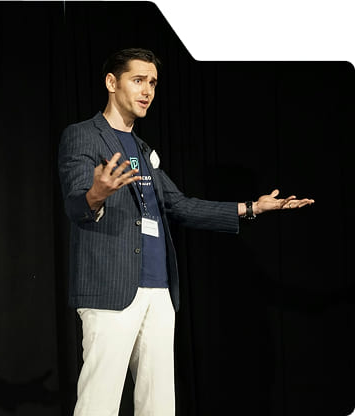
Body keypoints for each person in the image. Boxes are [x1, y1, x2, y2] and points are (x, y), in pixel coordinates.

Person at [57, 48, 313, 416]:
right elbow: (75, 204)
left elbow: (180, 205)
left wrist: (251, 208)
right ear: (112, 82)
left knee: (160, 404)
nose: (147, 90)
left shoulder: (142, 149)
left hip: (160, 291)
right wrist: (96, 193)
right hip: (111, 288)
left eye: (153, 83)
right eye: (138, 80)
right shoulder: (84, 135)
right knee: (99, 403)